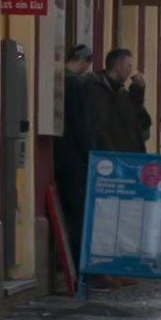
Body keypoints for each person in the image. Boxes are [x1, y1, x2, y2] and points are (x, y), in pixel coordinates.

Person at [53, 45, 97, 263]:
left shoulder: (58, 79)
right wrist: (91, 152)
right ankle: (79, 263)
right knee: (79, 213)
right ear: (85, 60)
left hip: (60, 156)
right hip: (76, 160)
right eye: (88, 63)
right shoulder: (76, 85)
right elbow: (83, 125)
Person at [91, 48, 151, 153]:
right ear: (118, 66)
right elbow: (101, 126)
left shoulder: (121, 93)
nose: (131, 71)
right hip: (106, 159)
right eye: (129, 66)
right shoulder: (95, 89)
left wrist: (138, 90)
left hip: (125, 157)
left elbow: (135, 117)